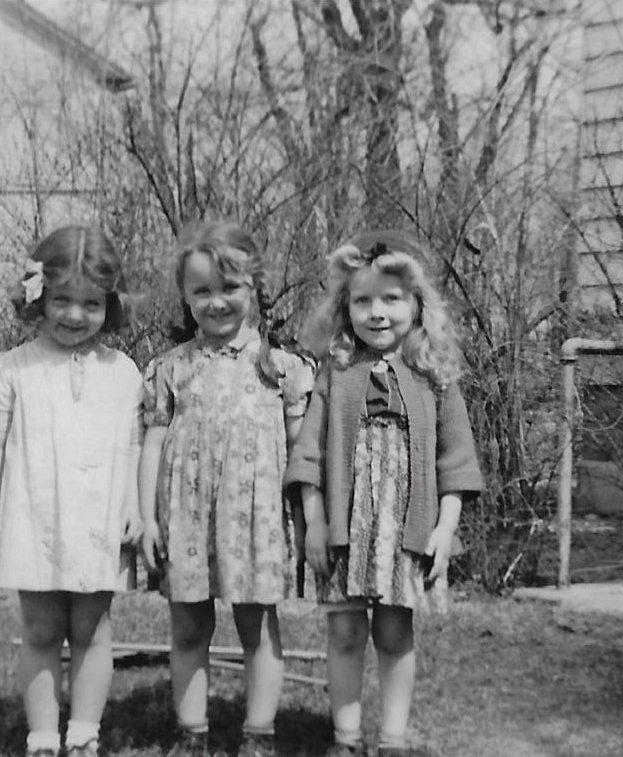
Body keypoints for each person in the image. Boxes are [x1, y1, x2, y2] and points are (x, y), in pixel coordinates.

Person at [284, 230, 483, 757]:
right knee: (346, 633)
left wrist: (444, 529)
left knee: (395, 634)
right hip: (346, 533)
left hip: (405, 531)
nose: (377, 312)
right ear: (343, 307)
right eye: (362, 300)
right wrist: (315, 522)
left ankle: (392, 740)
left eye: (391, 299)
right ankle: (345, 739)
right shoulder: (335, 374)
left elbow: (456, 462)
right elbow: (308, 456)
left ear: (417, 304)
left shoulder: (435, 377)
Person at [139, 220, 314, 757]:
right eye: (202, 291)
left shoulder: (281, 368)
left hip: (255, 518)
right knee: (189, 627)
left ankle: (259, 734)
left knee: (257, 626)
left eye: (230, 288)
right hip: (186, 517)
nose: (216, 302)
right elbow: (151, 444)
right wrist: (146, 518)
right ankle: (191, 733)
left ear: (255, 288)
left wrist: (308, 524)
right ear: (185, 297)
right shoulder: (171, 369)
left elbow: (303, 456)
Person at [0, 226, 143, 757]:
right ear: (38, 297)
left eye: (91, 303)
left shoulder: (123, 373)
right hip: (33, 517)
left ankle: (85, 734)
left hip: (97, 520)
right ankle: (43, 736)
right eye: (62, 300)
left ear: (110, 305)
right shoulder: (9, 370)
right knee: (42, 630)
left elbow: (132, 447)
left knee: (93, 629)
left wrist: (134, 507)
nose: (74, 315)